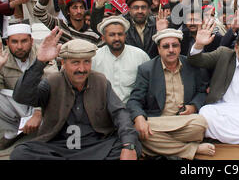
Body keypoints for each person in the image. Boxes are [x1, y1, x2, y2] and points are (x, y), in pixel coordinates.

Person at [10, 28, 141, 160]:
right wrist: (39, 62)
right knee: (21, 153)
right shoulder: (52, 81)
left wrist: (128, 144)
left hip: (96, 145)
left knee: (132, 147)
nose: (82, 69)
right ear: (63, 63)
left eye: (87, 62)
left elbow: (120, 113)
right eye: (75, 63)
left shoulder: (100, 81)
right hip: (59, 146)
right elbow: (22, 96)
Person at [127, 28, 215, 159]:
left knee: (200, 124)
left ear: (180, 47)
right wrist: (139, 118)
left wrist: (193, 106)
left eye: (175, 45)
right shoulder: (147, 70)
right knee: (139, 129)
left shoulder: (191, 65)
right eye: (166, 46)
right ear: (159, 49)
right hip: (157, 120)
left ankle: (157, 146)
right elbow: (134, 100)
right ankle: (191, 149)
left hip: (183, 121)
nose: (171, 50)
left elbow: (202, 92)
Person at [0, 24, 58, 149]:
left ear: (31, 41)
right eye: (14, 42)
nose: (19, 46)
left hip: (41, 102)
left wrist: (38, 113)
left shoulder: (43, 52)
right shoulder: (3, 58)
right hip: (17, 104)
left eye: (24, 41)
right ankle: (12, 132)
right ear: (7, 42)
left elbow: (52, 84)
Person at [91, 16, 150, 103]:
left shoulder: (140, 55)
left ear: (125, 36)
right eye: (112, 35)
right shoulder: (94, 57)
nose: (117, 38)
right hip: (102, 109)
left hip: (132, 109)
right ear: (103, 38)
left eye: (120, 34)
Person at [91, 0, 158, 57]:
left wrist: (172, 2)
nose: (140, 11)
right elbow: (97, 27)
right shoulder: (120, 22)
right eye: (136, 8)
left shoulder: (157, 22)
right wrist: (100, 4)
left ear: (149, 9)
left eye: (143, 8)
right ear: (129, 9)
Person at [33, 0, 101, 45]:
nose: (79, 11)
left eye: (81, 7)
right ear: (68, 11)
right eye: (75, 7)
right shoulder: (60, 26)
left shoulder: (93, 35)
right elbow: (38, 11)